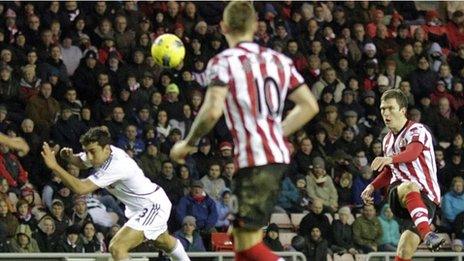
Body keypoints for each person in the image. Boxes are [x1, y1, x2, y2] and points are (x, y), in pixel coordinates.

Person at [170, 2, 319, 260]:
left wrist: (189, 143)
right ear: (254, 26)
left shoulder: (224, 61)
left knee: (248, 245)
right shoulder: (278, 60)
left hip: (254, 161)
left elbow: (213, 109)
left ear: (223, 27)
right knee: (239, 240)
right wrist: (275, 133)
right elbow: (309, 106)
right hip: (274, 157)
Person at [41, 127, 189, 261]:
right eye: (87, 151)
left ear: (106, 149)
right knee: (164, 242)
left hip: (152, 205)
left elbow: (81, 188)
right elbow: (82, 161)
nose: (89, 156)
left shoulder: (117, 165)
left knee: (117, 247)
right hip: (140, 206)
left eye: (92, 152)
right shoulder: (101, 152)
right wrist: (69, 157)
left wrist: (55, 166)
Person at [361, 89, 443, 261]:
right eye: (383, 109)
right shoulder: (387, 140)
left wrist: (388, 159)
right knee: (409, 186)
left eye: (390, 108)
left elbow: (412, 153)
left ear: (403, 111)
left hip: (427, 199)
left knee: (405, 250)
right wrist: (372, 185)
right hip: (399, 191)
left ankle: (424, 232)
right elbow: (390, 171)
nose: (385, 113)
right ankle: (428, 234)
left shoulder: (417, 130)